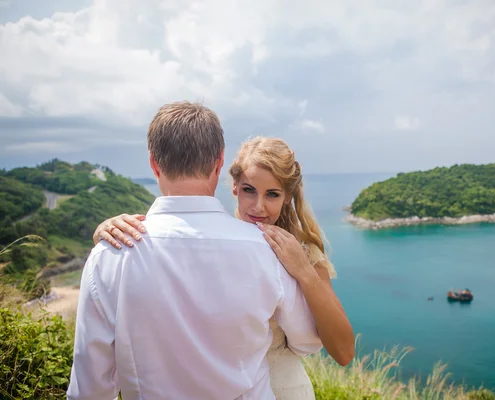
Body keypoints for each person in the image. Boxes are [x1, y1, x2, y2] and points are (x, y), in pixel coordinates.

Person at [66, 101, 325, 400]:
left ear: (154, 163)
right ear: (219, 163)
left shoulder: (110, 255)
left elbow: (89, 390)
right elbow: (308, 342)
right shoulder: (268, 250)